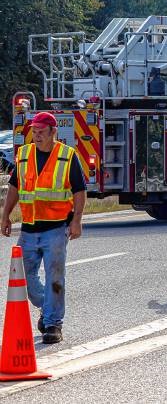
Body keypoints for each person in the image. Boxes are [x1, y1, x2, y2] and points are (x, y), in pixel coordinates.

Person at [0, 112, 86, 344]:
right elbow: (15, 186)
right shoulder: (24, 154)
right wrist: (5, 215)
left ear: (53, 133)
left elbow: (79, 190)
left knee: (55, 277)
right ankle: (47, 308)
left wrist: (77, 220)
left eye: (41, 132)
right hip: (28, 229)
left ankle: (53, 324)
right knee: (23, 278)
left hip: (56, 229)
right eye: (34, 132)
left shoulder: (67, 156)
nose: (36, 136)